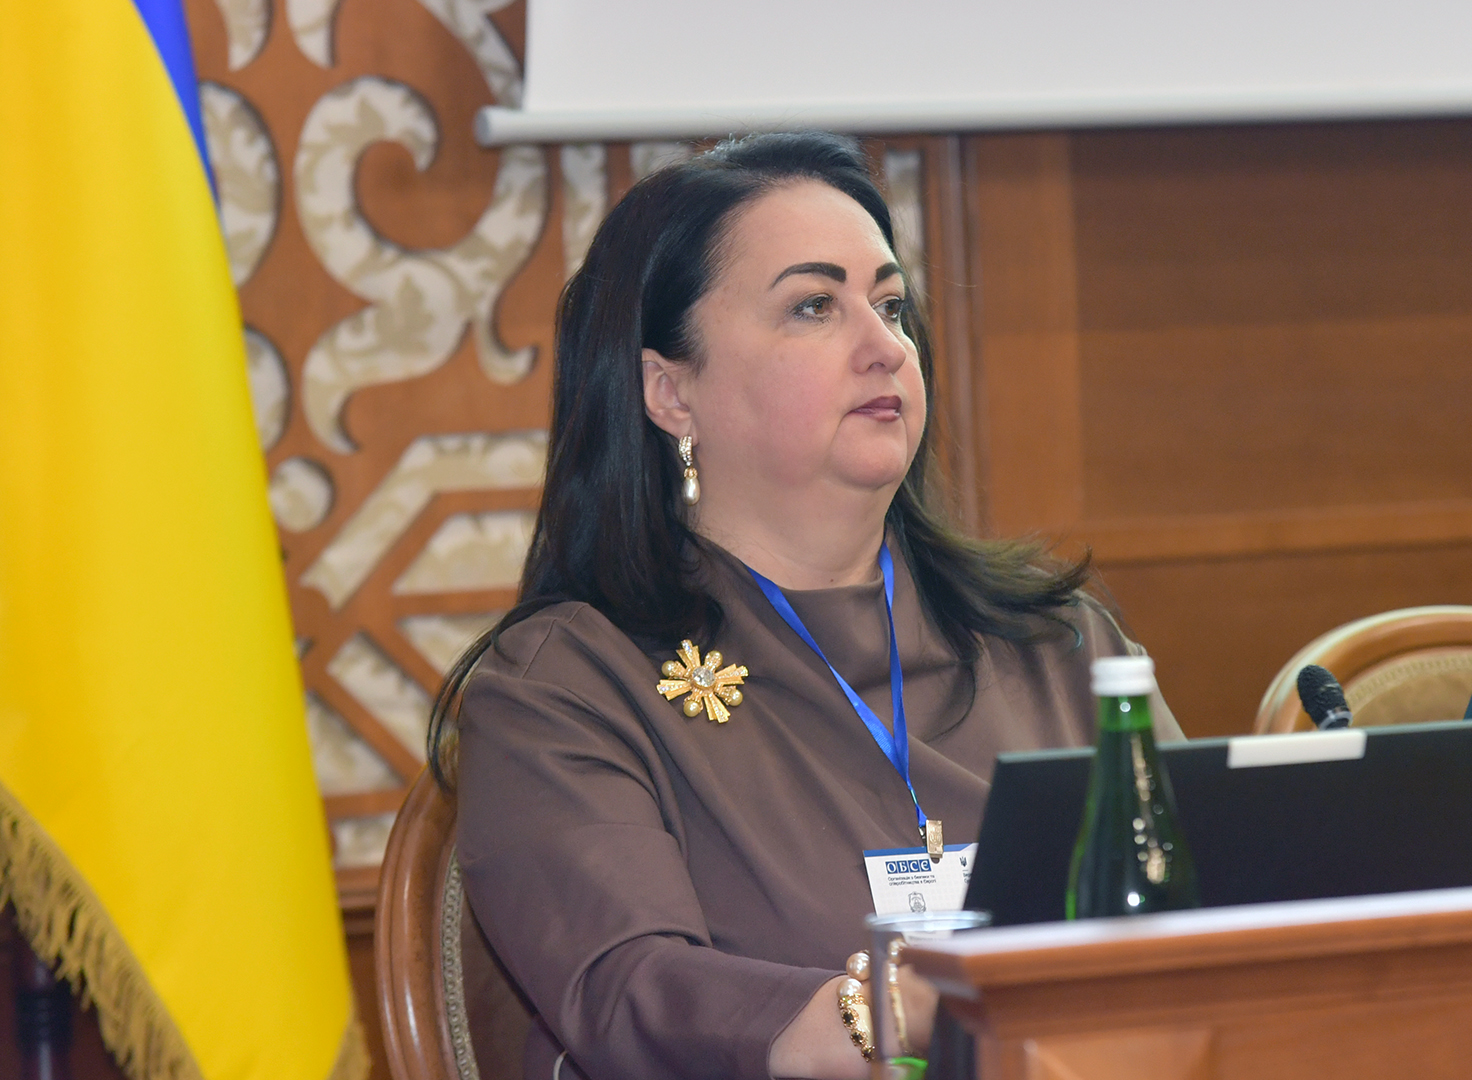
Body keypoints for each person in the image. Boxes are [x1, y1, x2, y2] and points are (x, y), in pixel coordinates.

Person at [429, 131, 1182, 1080]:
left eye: (892, 305)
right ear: (670, 391)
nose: (885, 348)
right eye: (814, 306)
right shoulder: (567, 687)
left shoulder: (1056, 644)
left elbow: (1216, 920)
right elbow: (630, 992)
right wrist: (901, 1009)